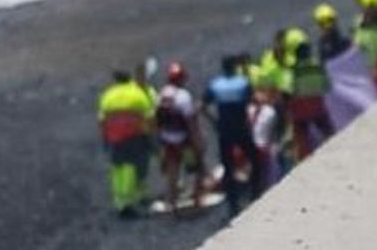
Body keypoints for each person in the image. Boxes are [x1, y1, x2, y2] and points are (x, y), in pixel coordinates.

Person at [202, 55, 263, 218]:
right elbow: (255, 101)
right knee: (255, 159)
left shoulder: (216, 85)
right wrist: (252, 118)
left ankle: (233, 204)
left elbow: (202, 105)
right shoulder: (242, 82)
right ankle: (255, 193)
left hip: (224, 129)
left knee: (228, 166)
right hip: (241, 127)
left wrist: (213, 121)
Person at [97, 70, 156, 219]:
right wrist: (151, 137)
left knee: (117, 169)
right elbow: (149, 117)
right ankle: (129, 202)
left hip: (114, 138)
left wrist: (105, 138)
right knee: (132, 167)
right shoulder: (137, 94)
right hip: (134, 137)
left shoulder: (107, 95)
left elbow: (102, 120)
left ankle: (120, 201)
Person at [155, 62, 206, 214]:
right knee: (198, 167)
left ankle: (173, 202)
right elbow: (190, 121)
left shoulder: (162, 94)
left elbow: (157, 119)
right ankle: (197, 199)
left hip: (167, 139)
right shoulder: (183, 96)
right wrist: (198, 141)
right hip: (183, 140)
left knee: (172, 170)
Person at [288, 34, 334, 162]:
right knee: (326, 129)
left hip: (301, 105)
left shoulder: (294, 70)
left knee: (301, 134)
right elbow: (327, 86)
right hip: (316, 102)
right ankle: (335, 148)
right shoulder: (318, 66)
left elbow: (291, 89)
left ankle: (304, 159)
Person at [248, 75, 281, 191]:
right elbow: (272, 133)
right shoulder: (270, 112)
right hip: (264, 148)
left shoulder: (248, 109)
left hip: (251, 147)